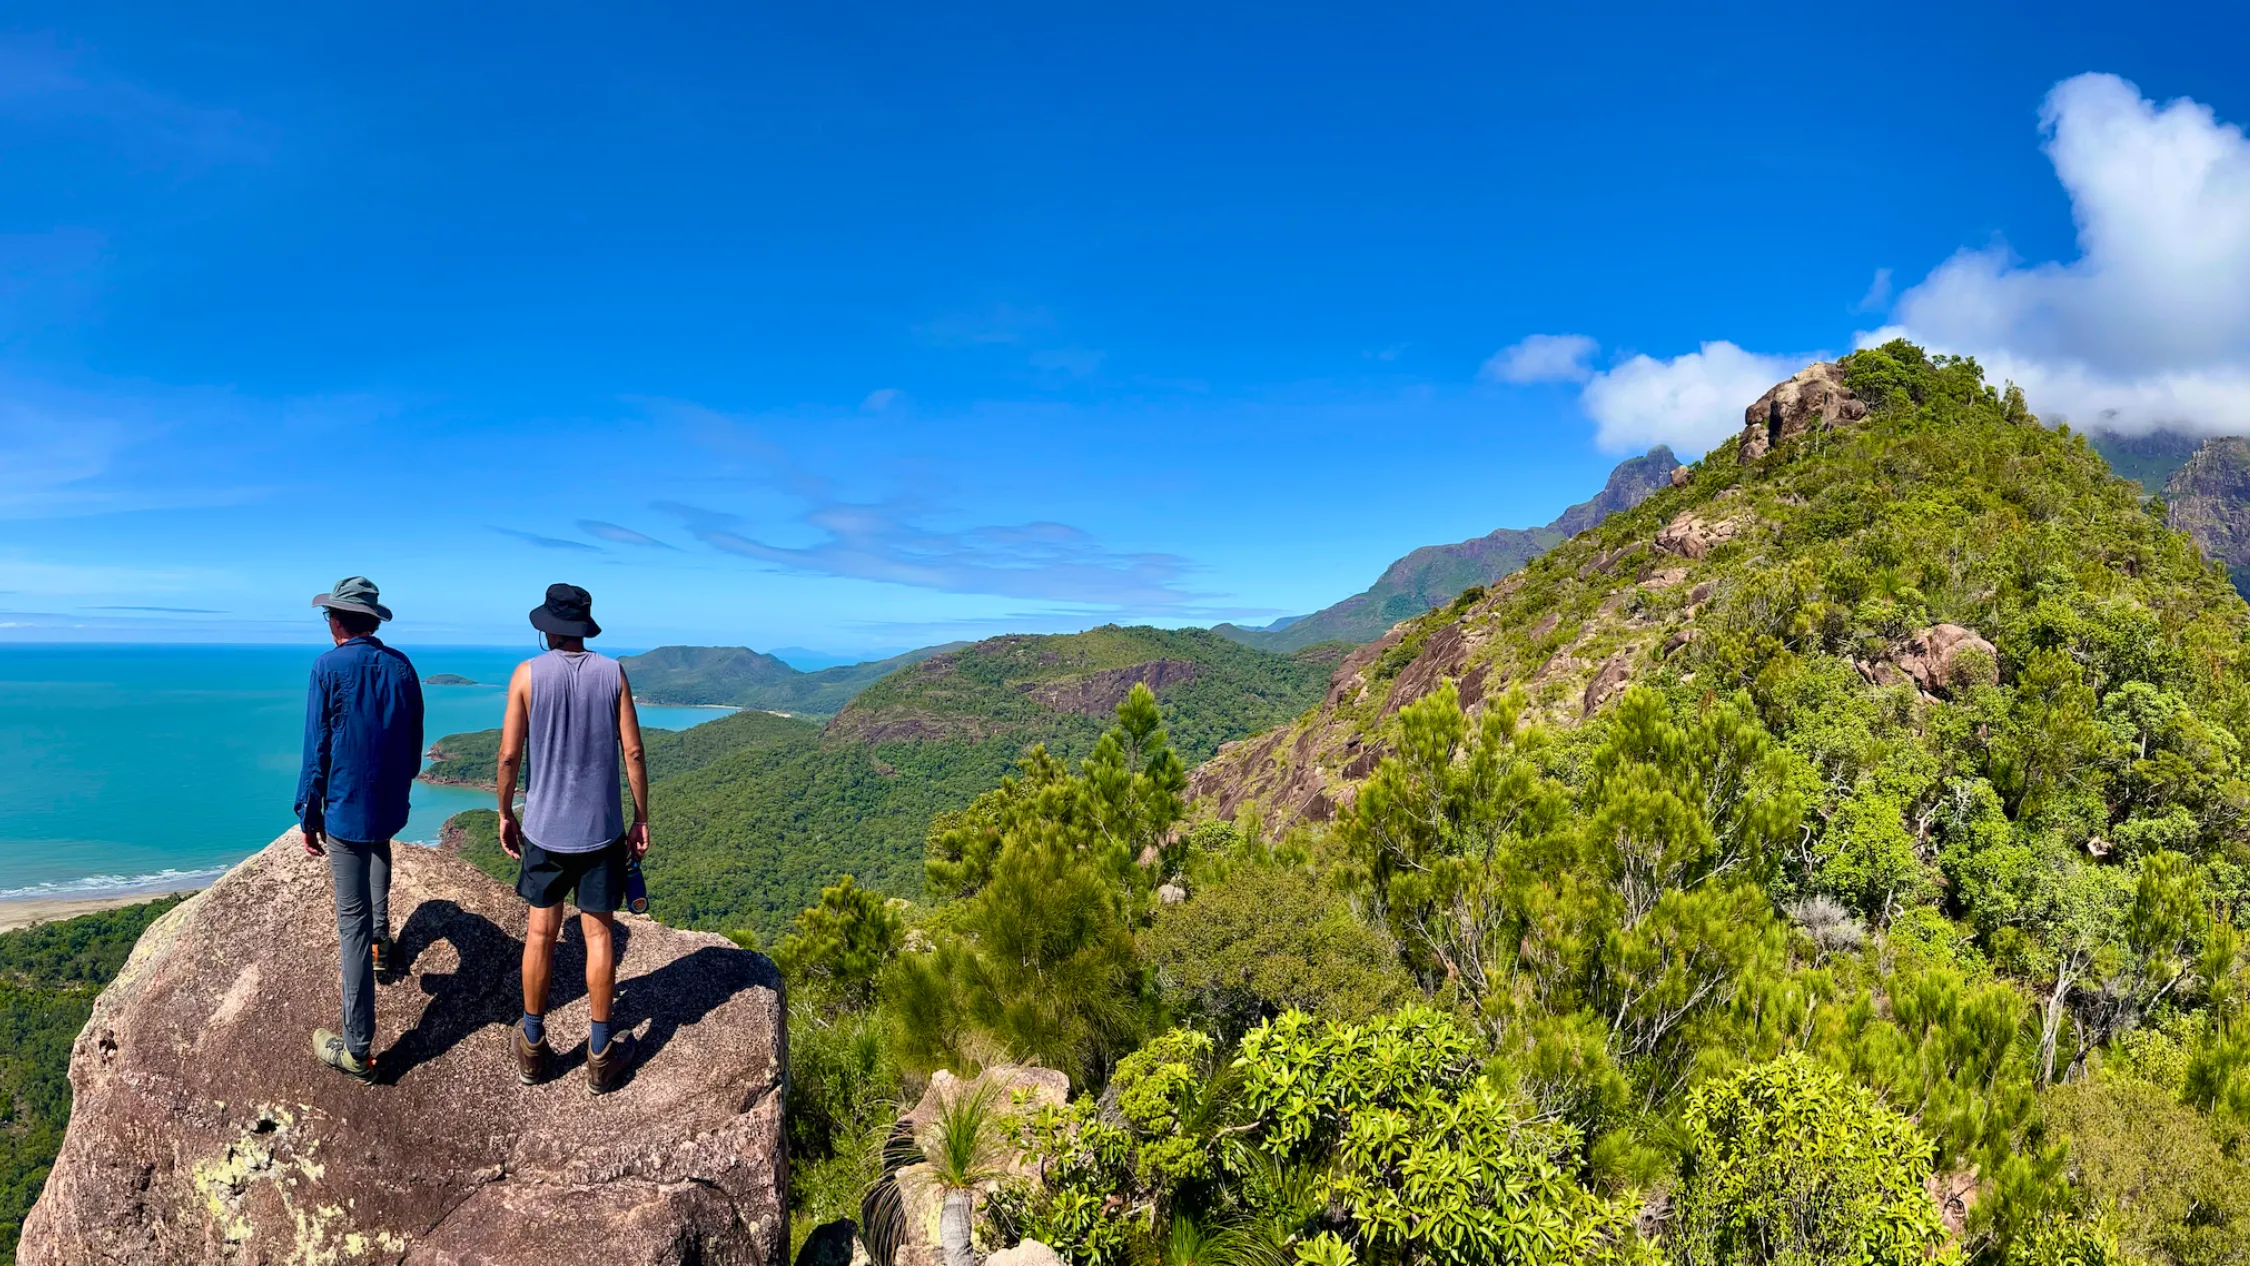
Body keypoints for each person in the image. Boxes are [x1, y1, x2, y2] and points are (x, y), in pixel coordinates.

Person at [496, 582, 651, 1094]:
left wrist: (504, 811)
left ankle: (534, 1047)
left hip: (543, 828)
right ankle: (601, 1053)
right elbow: (633, 753)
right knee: (599, 935)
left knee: (541, 933)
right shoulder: (614, 673)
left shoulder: (526, 675)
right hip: (601, 831)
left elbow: (509, 757)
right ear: (584, 627)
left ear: (548, 629)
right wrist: (640, 816)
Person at [295, 576, 425, 1085]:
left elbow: (317, 744)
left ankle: (357, 1047)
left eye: (329, 615)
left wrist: (309, 812)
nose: (328, 622)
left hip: (346, 806)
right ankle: (382, 942)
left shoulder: (327, 667)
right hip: (387, 800)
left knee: (348, 923)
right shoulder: (401, 666)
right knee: (381, 848)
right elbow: (413, 742)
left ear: (339, 621)